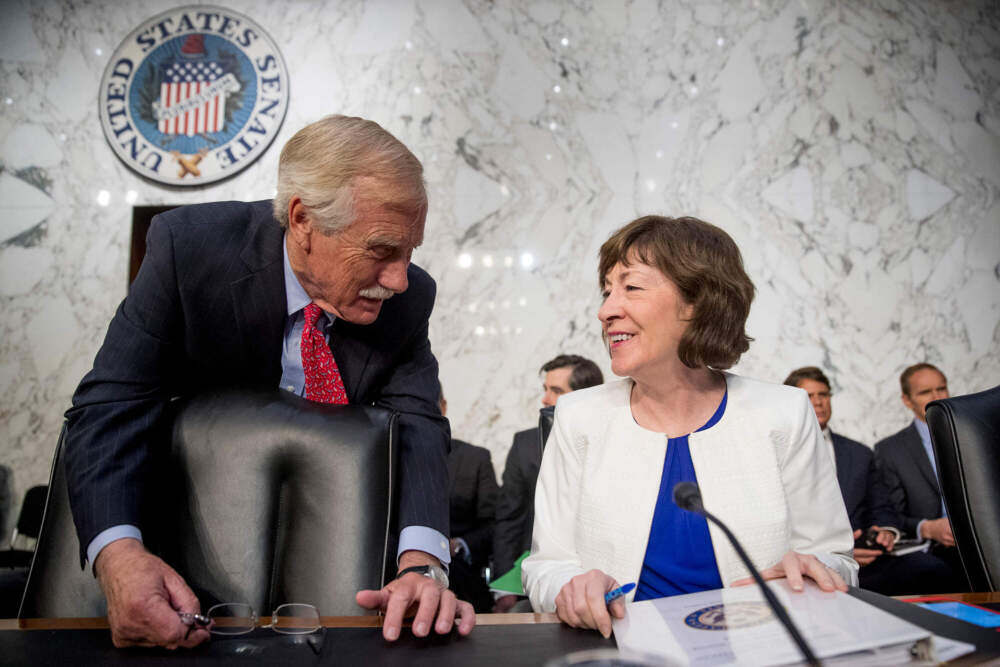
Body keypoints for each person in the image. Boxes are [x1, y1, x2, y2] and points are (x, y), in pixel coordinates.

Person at [62, 115, 475, 649]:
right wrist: (119, 556)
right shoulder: (188, 250)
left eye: (410, 251)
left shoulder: (408, 298)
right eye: (380, 251)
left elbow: (416, 425)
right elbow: (111, 405)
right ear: (302, 219)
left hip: (333, 588)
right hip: (181, 560)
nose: (399, 278)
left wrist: (423, 567)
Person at [523, 216, 857, 638]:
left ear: (697, 302)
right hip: (618, 647)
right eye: (607, 291)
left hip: (760, 648)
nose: (605, 310)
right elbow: (545, 566)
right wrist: (568, 589)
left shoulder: (784, 412)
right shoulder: (578, 416)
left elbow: (837, 559)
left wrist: (815, 573)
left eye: (632, 287)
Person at [784, 366, 955, 595]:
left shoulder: (860, 454)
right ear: (792, 403)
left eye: (823, 395)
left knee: (932, 570)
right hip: (803, 558)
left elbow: (881, 506)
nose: (818, 402)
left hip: (866, 561)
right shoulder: (776, 453)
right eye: (808, 396)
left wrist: (884, 532)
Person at [493, 354, 603, 613]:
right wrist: (503, 589)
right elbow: (509, 518)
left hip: (601, 572)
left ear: (583, 395)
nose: (544, 399)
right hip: (534, 574)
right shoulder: (525, 445)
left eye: (555, 390)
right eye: (545, 389)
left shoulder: (614, 439)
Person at [874, 363, 964, 587]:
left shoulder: (973, 436)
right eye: (925, 392)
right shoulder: (890, 450)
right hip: (933, 553)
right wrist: (927, 527)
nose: (936, 397)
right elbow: (891, 514)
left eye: (941, 388)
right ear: (906, 400)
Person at [441, 391, 498, 612]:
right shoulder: (385, 457)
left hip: (459, 569)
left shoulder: (474, 459)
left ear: (442, 407)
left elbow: (494, 524)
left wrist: (459, 545)